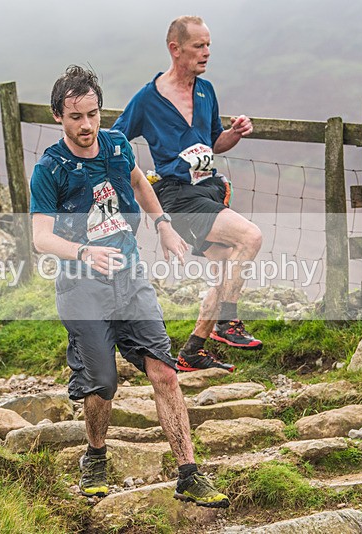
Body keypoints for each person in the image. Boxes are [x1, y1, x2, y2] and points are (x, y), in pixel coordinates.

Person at [30, 65, 230, 508]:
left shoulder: (117, 145)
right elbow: (40, 237)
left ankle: (189, 474)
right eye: (75, 117)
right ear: (59, 117)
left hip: (130, 277)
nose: (86, 126)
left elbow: (139, 181)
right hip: (81, 287)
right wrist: (83, 253)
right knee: (103, 383)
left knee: (164, 370)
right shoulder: (50, 168)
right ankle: (96, 456)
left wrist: (162, 224)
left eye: (93, 115)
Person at [113, 15, 264, 372]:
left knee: (227, 268)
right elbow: (115, 140)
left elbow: (213, 143)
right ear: (175, 49)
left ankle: (193, 350)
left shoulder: (205, 90)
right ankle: (227, 323)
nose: (207, 52)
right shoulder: (147, 99)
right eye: (199, 46)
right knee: (251, 237)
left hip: (208, 190)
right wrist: (130, 183)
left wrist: (235, 133)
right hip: (176, 196)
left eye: (209, 45)